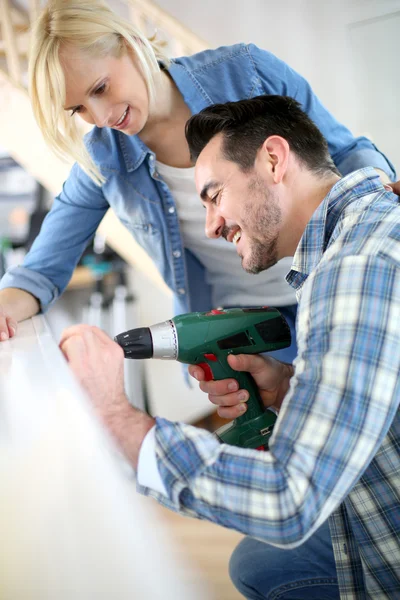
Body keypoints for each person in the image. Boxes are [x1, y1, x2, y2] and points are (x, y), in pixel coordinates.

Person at [59, 96, 400, 599]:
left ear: (273, 159)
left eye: (214, 195)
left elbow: (291, 497)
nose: (212, 225)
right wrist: (290, 386)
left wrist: (118, 417)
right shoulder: (371, 227)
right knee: (259, 565)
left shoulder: (353, 268)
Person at [0, 0, 395, 366]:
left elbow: (345, 154)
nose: (100, 116)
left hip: (331, 288)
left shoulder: (246, 72)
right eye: (79, 108)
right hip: (245, 327)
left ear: (131, 43)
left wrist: (378, 204)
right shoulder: (103, 158)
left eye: (100, 88)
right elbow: (40, 270)